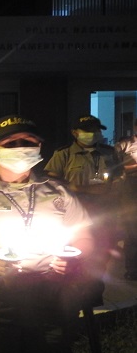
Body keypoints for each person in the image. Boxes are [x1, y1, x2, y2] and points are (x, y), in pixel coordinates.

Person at [0, 114, 96, 353]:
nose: (21, 148)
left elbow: (84, 235)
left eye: (29, 142)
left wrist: (73, 257)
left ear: (40, 147)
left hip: (50, 295)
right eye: (11, 143)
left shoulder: (58, 191)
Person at [45, 115, 121, 282]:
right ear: (75, 132)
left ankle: (93, 295)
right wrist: (82, 190)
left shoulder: (108, 152)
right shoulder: (63, 154)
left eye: (96, 130)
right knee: (74, 257)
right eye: (88, 130)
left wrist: (80, 188)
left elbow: (117, 180)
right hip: (76, 217)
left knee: (101, 256)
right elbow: (52, 184)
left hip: (103, 214)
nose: (93, 134)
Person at [114, 118, 137, 280]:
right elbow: (114, 167)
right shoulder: (124, 145)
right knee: (132, 233)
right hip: (130, 190)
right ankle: (132, 270)